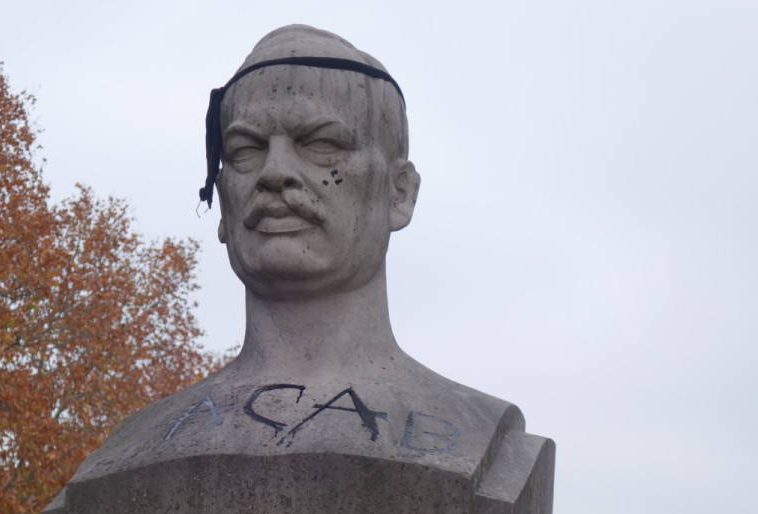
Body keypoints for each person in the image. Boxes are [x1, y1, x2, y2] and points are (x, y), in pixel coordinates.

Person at [78, 25, 529, 470]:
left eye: (321, 144)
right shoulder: (127, 452)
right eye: (244, 150)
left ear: (399, 193)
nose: (275, 172)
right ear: (222, 201)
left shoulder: (491, 447)